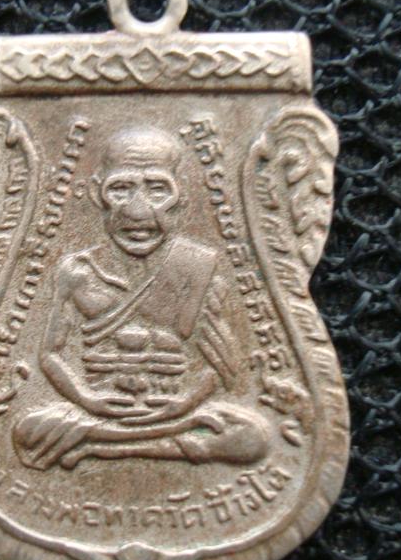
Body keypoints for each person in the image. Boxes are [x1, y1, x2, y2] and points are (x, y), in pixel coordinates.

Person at [13, 127, 269, 469]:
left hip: (175, 410)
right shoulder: (77, 271)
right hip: (99, 409)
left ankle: (99, 448)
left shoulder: (196, 267)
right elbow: (50, 354)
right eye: (120, 189)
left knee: (253, 437)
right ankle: (151, 443)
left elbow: (222, 365)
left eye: (158, 189)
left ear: (182, 194)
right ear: (97, 193)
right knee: (27, 431)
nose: (138, 211)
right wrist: (88, 401)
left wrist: (184, 405)